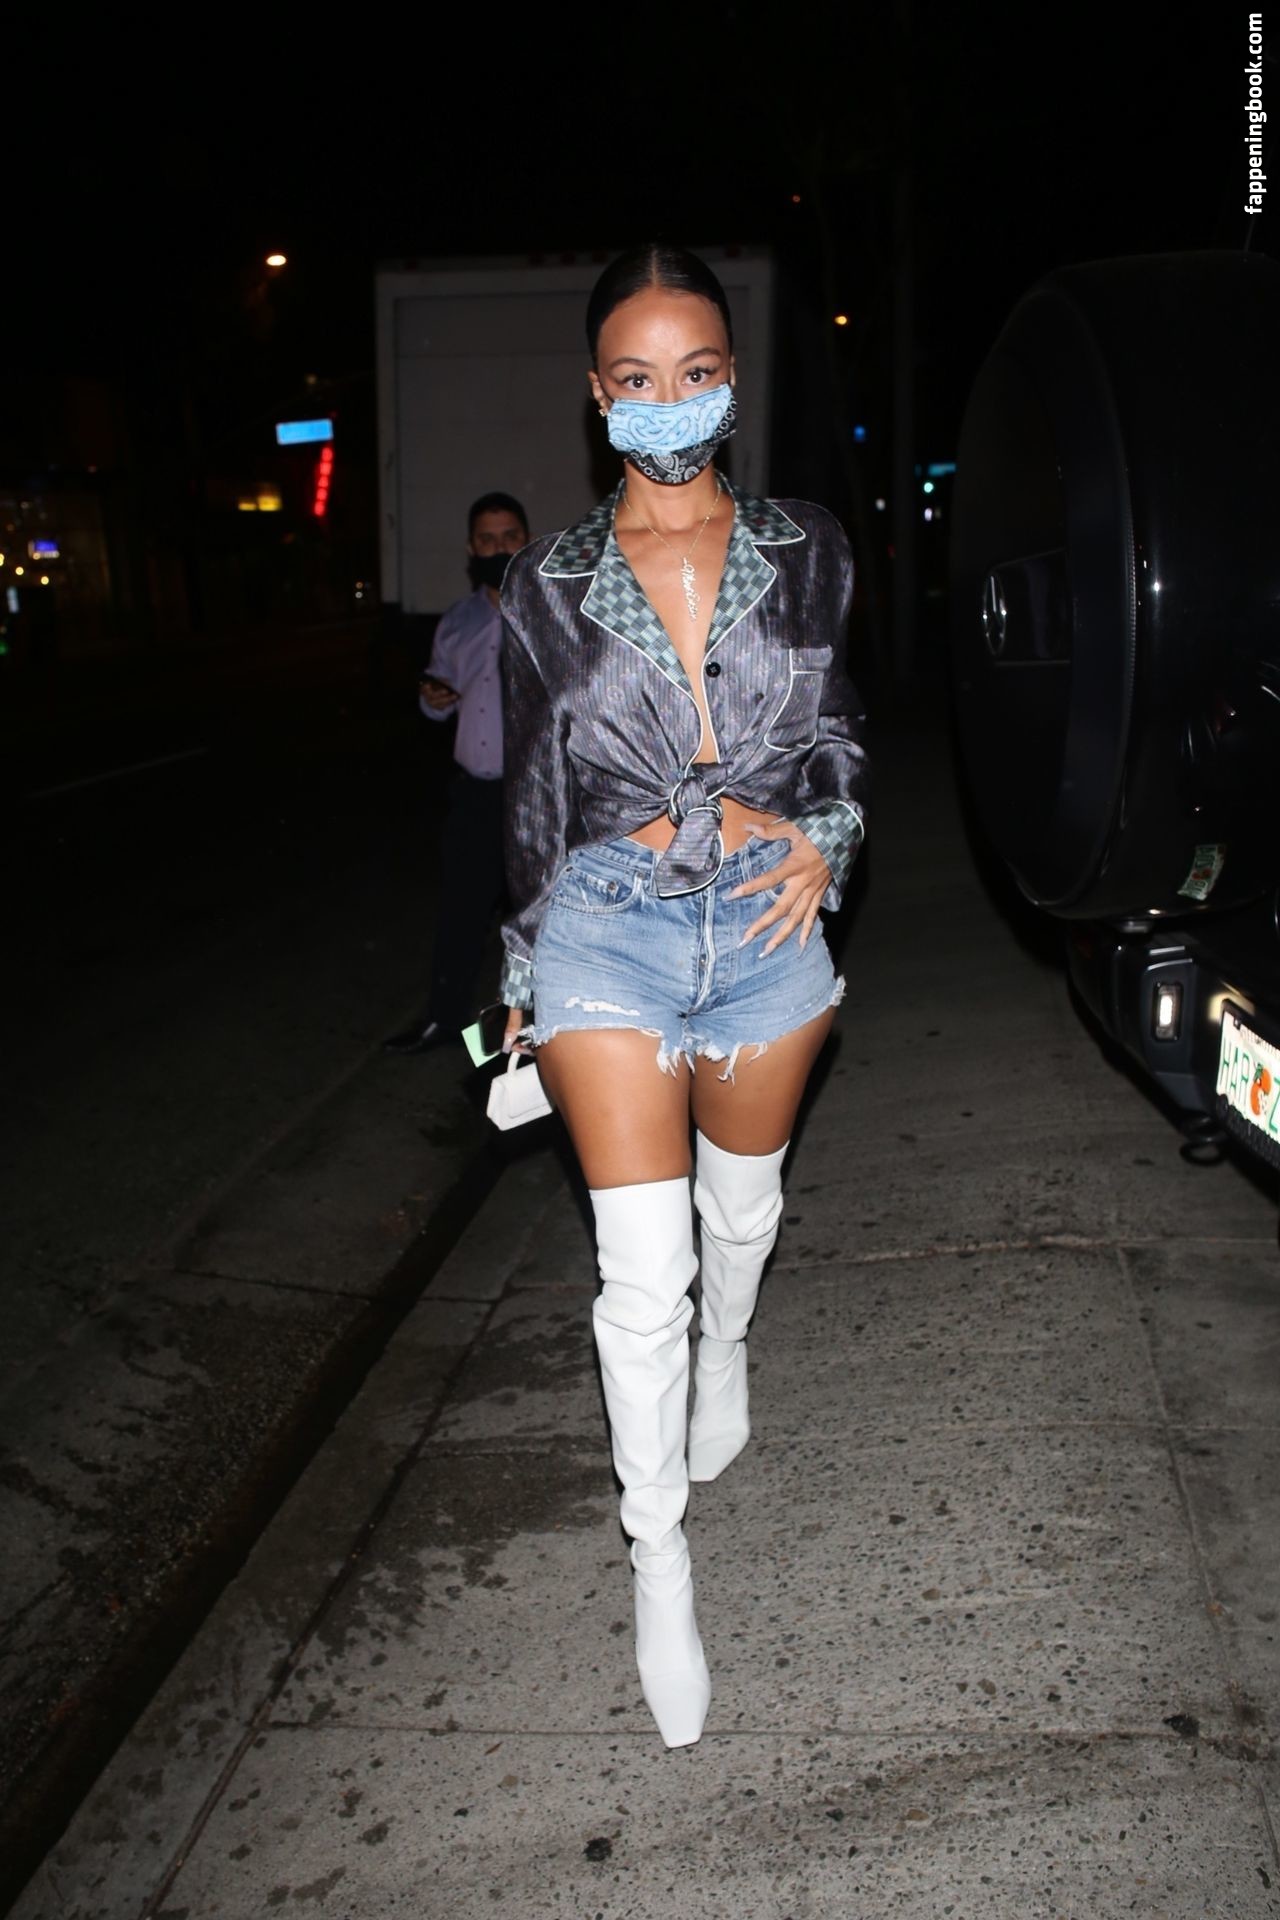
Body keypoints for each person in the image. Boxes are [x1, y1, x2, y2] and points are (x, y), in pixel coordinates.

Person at [496, 245, 869, 1748]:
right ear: (598, 398)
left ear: (730, 379)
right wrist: (520, 977)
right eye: (637, 379)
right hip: (608, 925)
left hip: (764, 921)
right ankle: (659, 1563)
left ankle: (733, 1349)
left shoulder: (809, 545)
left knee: (741, 1216)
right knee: (638, 1279)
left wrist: (830, 832)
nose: (669, 401)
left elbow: (840, 729)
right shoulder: (544, 583)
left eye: (695, 372)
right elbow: (534, 792)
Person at [383, 492, 529, 1054]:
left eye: (510, 536)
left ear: (527, 540)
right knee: (461, 915)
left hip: (535, 797)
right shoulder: (457, 621)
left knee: (541, 923)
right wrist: (435, 698)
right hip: (474, 796)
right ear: (472, 549)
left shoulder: (547, 611)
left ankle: (540, 1040)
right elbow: (437, 698)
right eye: (488, 540)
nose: (500, 548)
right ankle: (445, 1024)